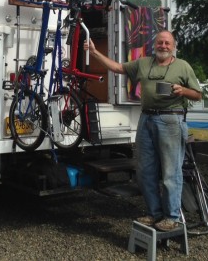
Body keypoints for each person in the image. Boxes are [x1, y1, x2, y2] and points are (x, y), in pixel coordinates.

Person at [84, 30, 202, 231]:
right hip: (146, 118)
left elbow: (198, 95)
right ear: (154, 45)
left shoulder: (183, 66)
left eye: (167, 43)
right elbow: (118, 67)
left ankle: (172, 217)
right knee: (145, 170)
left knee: (170, 172)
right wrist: (94, 53)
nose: (163, 46)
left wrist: (183, 91)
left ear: (173, 47)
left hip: (171, 120)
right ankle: (154, 213)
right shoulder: (143, 63)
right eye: (160, 42)